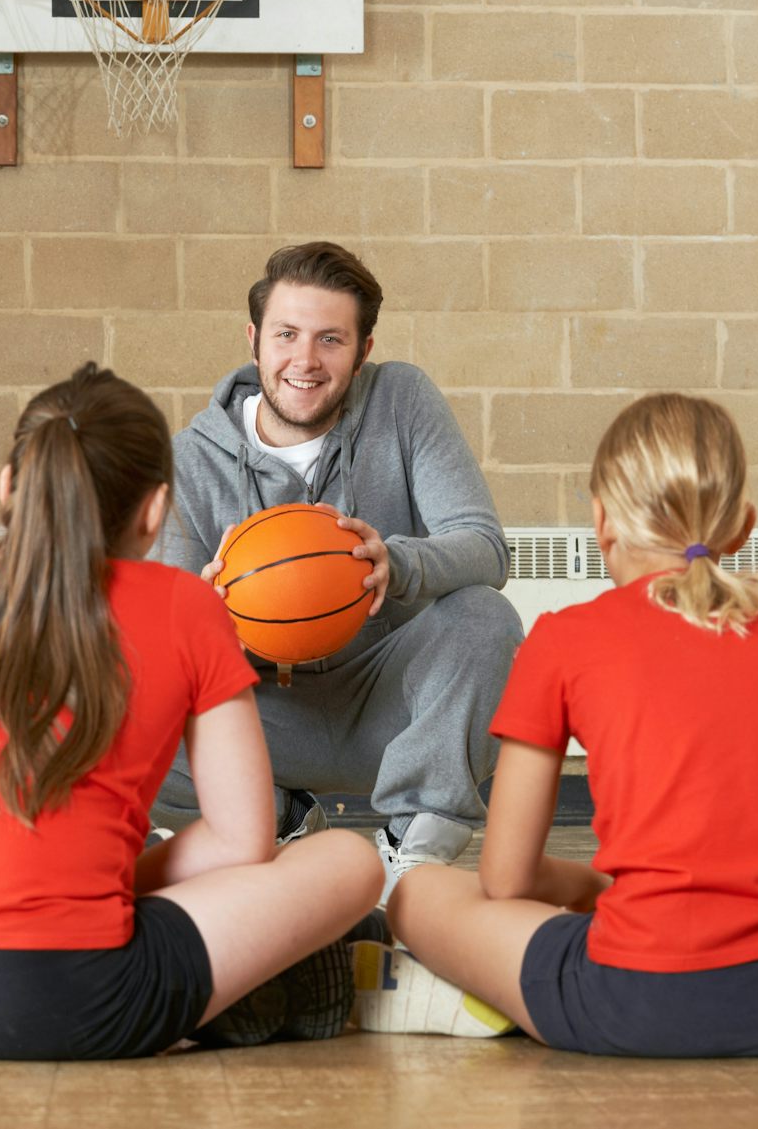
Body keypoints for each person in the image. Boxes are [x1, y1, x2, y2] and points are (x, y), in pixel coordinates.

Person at [0, 363, 384, 1061]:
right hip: (63, 1000)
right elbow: (242, 842)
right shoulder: (187, 605)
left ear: (9, 486)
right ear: (156, 510)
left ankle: (231, 987)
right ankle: (242, 985)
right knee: (348, 858)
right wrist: (107, 881)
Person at [357, 393, 758, 1057]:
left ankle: (471, 993)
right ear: (743, 525)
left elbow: (506, 880)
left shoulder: (565, 639)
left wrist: (585, 887)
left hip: (649, 999)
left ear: (602, 520)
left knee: (420, 892)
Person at [155, 241, 523, 896]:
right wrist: (208, 620)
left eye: (330, 339)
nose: (305, 359)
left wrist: (396, 561)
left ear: (363, 349)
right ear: (254, 339)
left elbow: (484, 545)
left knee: (485, 618)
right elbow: (168, 649)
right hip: (262, 721)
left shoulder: (402, 399)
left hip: (388, 705)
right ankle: (275, 820)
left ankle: (415, 854)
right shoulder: (191, 458)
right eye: (287, 335)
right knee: (128, 691)